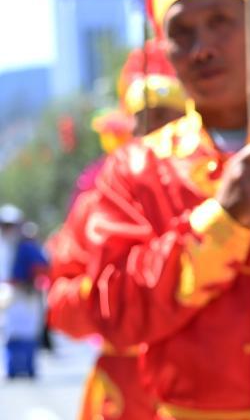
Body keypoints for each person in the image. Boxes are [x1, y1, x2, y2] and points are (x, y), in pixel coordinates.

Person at [49, 0, 250, 419]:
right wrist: (222, 221)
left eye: (221, 22)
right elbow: (110, 310)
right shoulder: (134, 171)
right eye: (182, 33)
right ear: (167, 54)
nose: (203, 48)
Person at [47, 42, 186, 419]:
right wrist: (115, 298)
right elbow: (60, 304)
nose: (157, 132)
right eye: (146, 119)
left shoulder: (214, 192)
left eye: (170, 119)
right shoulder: (96, 207)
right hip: (125, 398)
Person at [0, 204, 48, 379]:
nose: (8, 229)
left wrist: (33, 282)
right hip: (6, 293)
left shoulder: (27, 246)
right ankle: (11, 368)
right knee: (8, 330)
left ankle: (29, 368)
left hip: (26, 293)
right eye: (5, 225)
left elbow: (43, 266)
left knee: (28, 331)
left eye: (11, 225)